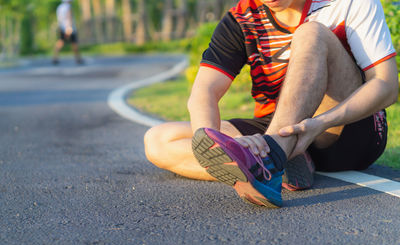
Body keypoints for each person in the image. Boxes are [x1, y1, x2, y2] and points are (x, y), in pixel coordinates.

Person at [144, 0, 398, 208]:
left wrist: (319, 123)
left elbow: (387, 87)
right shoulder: (242, 19)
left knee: (311, 33)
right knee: (158, 140)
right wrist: (215, 143)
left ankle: (270, 156)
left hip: (344, 129)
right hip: (278, 126)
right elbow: (204, 92)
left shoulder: (350, 2)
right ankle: (274, 160)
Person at [52, 0, 83, 65]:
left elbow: (59, 19)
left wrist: (61, 27)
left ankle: (55, 57)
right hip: (69, 28)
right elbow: (69, 17)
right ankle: (78, 59)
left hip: (62, 27)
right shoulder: (68, 7)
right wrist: (69, 27)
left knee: (61, 42)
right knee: (74, 43)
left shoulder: (59, 7)